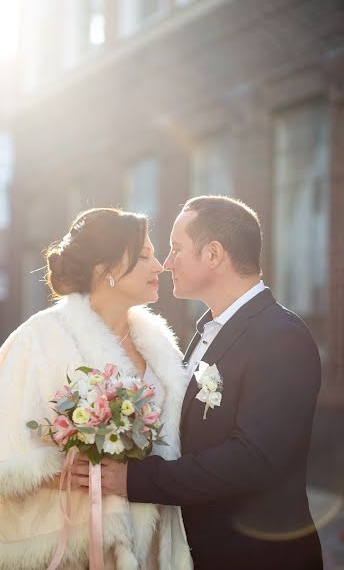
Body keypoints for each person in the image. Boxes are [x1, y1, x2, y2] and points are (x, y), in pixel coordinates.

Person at [0, 208, 193, 570]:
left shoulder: (160, 347)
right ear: (103, 268)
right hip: (71, 548)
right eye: (144, 256)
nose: (159, 266)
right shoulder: (39, 338)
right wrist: (70, 471)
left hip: (152, 546)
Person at [86, 196, 324, 570]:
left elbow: (252, 459)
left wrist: (134, 479)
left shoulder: (280, 336)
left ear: (213, 254)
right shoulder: (207, 332)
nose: (166, 263)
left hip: (257, 555)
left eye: (177, 248)